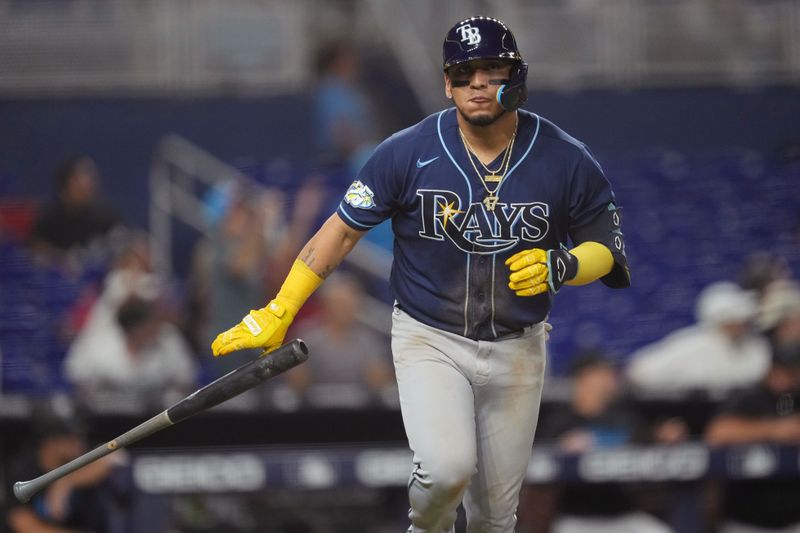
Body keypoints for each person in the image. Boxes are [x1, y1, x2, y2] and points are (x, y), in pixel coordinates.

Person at [212, 16, 630, 531]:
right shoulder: (406, 151)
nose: (477, 83)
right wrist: (282, 307)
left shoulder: (564, 157)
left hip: (519, 344)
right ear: (446, 83)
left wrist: (562, 263)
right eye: (464, 72)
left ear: (515, 76)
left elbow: (606, 248)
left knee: (496, 518)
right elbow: (340, 231)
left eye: (491, 69)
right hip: (430, 335)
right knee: (444, 470)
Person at [535, 353, 672, 533]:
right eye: (603, 374)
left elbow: (645, 451)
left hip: (623, 515)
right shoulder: (559, 422)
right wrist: (562, 449)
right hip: (578, 518)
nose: (611, 379)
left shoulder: (625, 418)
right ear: (584, 378)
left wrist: (661, 439)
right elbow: (540, 475)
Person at [626, 281, 770, 396]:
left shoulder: (754, 345)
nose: (741, 324)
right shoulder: (691, 344)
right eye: (734, 319)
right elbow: (639, 372)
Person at [284, 272, 394, 408]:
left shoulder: (369, 339)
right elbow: (295, 381)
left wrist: (379, 377)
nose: (345, 309)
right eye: (340, 304)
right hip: (313, 410)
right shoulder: (307, 336)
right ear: (327, 305)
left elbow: (381, 381)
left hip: (359, 411)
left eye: (350, 304)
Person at [3, 410, 115, 533]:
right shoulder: (22, 470)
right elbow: (24, 526)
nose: (79, 442)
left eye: (79, 436)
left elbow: (115, 456)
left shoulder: (79, 458)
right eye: (70, 437)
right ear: (50, 441)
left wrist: (66, 481)